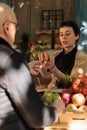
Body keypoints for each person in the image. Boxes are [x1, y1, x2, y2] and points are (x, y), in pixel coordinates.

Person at [0, 3, 65, 130]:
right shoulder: (10, 58)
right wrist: (55, 111)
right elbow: (38, 119)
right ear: (7, 26)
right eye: (16, 26)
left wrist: (25, 69)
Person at [38, 20, 87, 88]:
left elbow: (72, 82)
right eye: (61, 34)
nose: (64, 37)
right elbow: (48, 77)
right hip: (53, 93)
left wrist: (53, 68)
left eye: (67, 34)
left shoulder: (82, 57)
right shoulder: (55, 55)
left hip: (71, 95)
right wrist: (40, 63)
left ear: (77, 36)